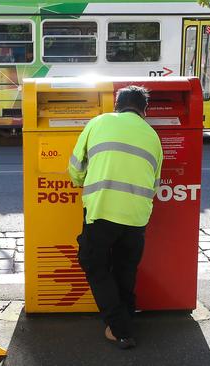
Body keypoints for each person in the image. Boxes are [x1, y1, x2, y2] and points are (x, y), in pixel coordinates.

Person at [68, 86, 163, 349]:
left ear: (116, 106)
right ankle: (125, 319)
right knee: (125, 268)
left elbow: (75, 168)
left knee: (93, 262)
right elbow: (155, 182)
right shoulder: (152, 136)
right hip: (136, 216)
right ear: (144, 111)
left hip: (102, 210)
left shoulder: (99, 122)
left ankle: (120, 330)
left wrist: (82, 181)